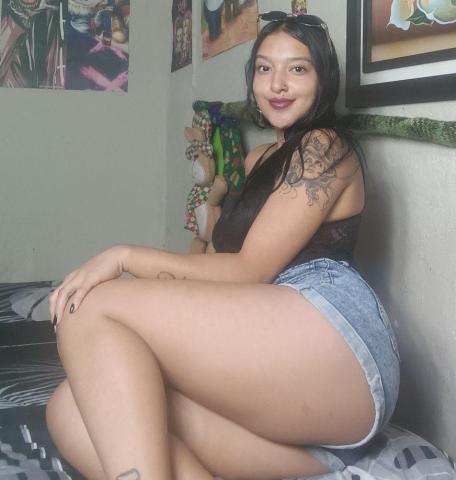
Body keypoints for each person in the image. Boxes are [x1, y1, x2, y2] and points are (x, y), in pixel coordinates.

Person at [46, 11, 400, 480]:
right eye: (264, 68)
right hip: (281, 390)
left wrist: (123, 256)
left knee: (92, 305)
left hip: (338, 345)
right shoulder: (258, 158)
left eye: (297, 68)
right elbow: (218, 268)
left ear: (323, 79)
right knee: (72, 406)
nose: (277, 83)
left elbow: (250, 269)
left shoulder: (324, 146)